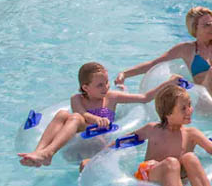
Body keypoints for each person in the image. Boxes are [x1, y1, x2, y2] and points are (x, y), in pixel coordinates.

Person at [18, 62, 177, 167]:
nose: (105, 87)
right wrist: (97, 119)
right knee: (62, 114)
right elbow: (82, 113)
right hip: (77, 145)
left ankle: (48, 153)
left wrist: (168, 83)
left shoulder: (112, 97)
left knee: (74, 118)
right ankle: (40, 152)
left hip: (99, 143)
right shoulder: (77, 99)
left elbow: (145, 98)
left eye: (106, 82)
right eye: (100, 85)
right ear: (85, 87)